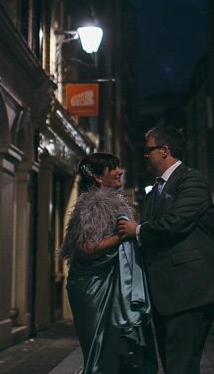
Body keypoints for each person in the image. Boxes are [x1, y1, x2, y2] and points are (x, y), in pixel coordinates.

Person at [117, 126, 214, 374]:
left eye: (148, 149)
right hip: (167, 294)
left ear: (165, 150)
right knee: (173, 364)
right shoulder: (156, 188)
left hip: (189, 290)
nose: (144, 155)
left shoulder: (191, 179)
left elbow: (177, 222)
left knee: (181, 364)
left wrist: (137, 230)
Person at [59, 152, 158, 374]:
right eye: (113, 168)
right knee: (101, 348)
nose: (120, 171)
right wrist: (123, 236)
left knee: (111, 351)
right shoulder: (93, 205)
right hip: (93, 289)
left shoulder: (114, 203)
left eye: (119, 166)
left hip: (106, 286)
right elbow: (87, 249)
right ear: (97, 177)